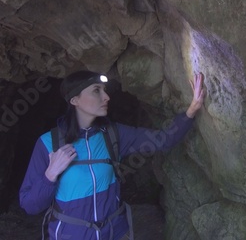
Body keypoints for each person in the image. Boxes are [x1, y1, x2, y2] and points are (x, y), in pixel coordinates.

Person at [19, 70, 205, 240]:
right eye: (96, 91)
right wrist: (49, 175)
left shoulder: (113, 135)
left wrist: (191, 111)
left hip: (113, 233)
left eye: (105, 90)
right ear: (75, 100)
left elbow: (163, 140)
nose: (106, 97)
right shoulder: (48, 143)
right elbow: (29, 205)